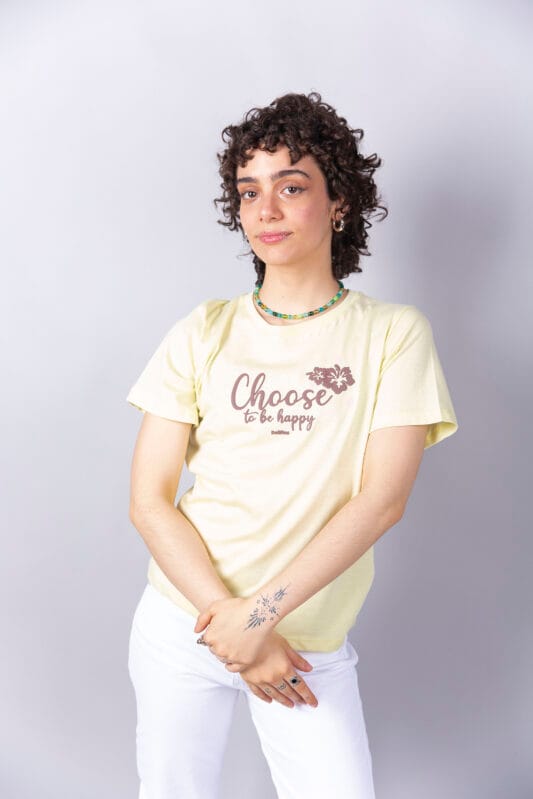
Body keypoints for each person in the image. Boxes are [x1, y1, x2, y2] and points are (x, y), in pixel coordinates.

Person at [125, 91, 459, 799]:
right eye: (249, 192)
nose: (266, 210)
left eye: (292, 187)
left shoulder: (392, 334)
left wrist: (260, 618)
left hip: (303, 645)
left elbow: (381, 501)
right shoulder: (203, 330)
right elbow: (149, 500)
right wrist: (230, 624)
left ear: (339, 202)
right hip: (184, 624)